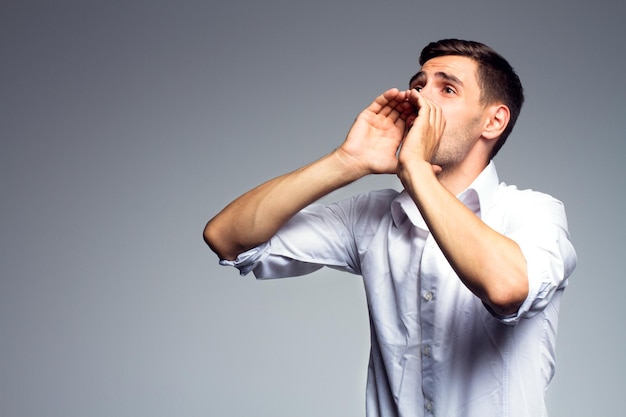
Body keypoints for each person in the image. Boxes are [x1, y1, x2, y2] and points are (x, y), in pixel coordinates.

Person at [203, 39, 577, 416]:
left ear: (493, 121)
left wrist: (415, 167)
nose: (419, 100)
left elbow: (506, 289)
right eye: (418, 85)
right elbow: (226, 238)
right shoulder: (373, 215)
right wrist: (346, 162)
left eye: (446, 89)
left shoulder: (533, 212)